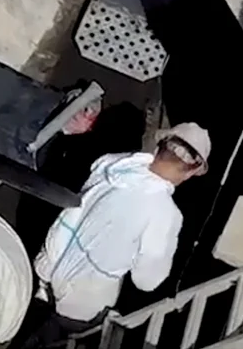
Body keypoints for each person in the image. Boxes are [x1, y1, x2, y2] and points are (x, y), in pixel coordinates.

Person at [30, 123, 211, 337]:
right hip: (77, 304)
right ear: (190, 172)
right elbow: (146, 281)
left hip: (44, 268)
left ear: (159, 146)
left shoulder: (113, 163)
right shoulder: (166, 214)